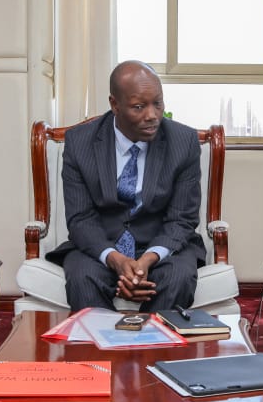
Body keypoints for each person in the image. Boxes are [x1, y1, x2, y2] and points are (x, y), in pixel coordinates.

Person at [45, 60, 205, 311]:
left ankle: (156, 350)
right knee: (82, 278)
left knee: (178, 277)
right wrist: (116, 259)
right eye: (139, 107)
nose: (152, 115)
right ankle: (101, 351)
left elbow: (182, 219)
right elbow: (80, 218)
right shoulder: (80, 143)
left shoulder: (183, 142)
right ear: (114, 104)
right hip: (101, 245)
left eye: (158, 103)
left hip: (160, 245)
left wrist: (147, 260)